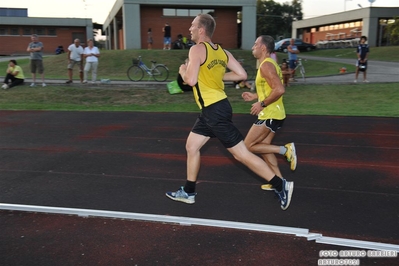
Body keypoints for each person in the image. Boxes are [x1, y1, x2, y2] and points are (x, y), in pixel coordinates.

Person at [165, 14, 294, 211]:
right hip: (213, 109)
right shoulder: (222, 52)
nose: (189, 29)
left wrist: (183, 70)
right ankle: (189, 192)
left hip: (214, 111)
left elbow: (190, 81)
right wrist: (217, 75)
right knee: (192, 146)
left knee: (242, 154)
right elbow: (241, 75)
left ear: (201, 30)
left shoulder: (196, 49)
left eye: (192, 26)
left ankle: (280, 184)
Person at [241, 35, 297, 191]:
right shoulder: (268, 64)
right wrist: (255, 96)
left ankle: (285, 150)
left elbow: (280, 89)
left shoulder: (266, 65)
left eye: (255, 44)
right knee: (264, 148)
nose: (253, 47)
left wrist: (262, 103)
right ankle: (278, 182)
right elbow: (271, 89)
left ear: (263, 48)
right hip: (275, 113)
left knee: (248, 146)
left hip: (270, 113)